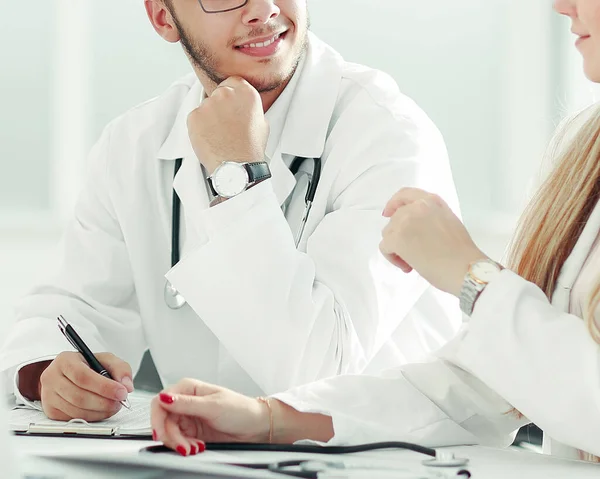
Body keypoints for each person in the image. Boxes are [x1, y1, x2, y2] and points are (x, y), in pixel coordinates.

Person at [148, 0, 600, 462]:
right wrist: (269, 419)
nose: (562, 6)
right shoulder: (582, 152)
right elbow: (483, 392)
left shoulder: (385, 126)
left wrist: (473, 278)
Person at [0, 0, 460, 423]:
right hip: (202, 458)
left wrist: (235, 175)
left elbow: (318, 371)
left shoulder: (388, 134)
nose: (263, 10)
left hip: (381, 460)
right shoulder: (134, 142)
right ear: (163, 17)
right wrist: (48, 374)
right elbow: (70, 309)